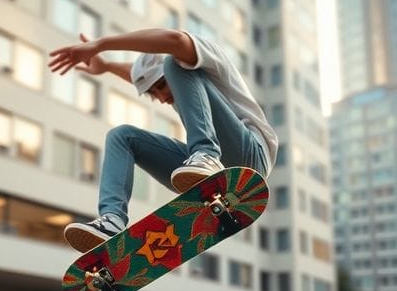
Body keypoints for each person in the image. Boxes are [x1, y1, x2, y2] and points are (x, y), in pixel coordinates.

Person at [48, 28, 278, 252]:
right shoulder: (166, 80)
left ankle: (206, 155)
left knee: (173, 63)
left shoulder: (202, 55)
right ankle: (112, 221)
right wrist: (107, 66)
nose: (162, 97)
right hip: (211, 168)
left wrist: (100, 44)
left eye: (161, 86)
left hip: (250, 155)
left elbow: (175, 41)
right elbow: (141, 75)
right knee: (121, 136)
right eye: (153, 93)